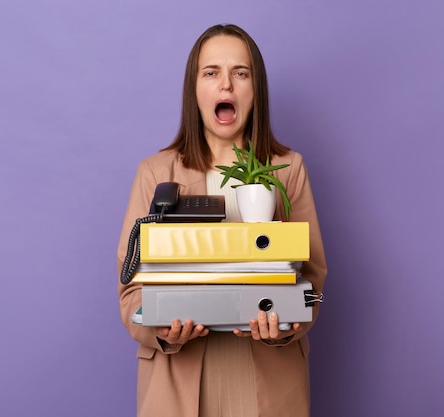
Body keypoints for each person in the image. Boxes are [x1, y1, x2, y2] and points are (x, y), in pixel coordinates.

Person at [117, 24, 327, 417]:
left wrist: (290, 323)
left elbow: (313, 281)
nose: (226, 85)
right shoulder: (155, 173)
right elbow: (130, 293)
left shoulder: (288, 168)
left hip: (268, 378)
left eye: (240, 73)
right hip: (177, 380)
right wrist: (158, 329)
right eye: (211, 72)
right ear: (194, 89)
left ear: (255, 90)